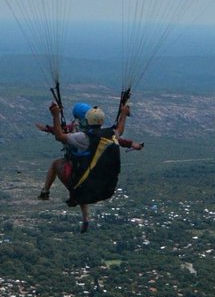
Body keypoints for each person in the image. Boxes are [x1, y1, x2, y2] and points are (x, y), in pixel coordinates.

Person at [37, 90, 143, 232]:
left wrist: (55, 115)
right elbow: (120, 130)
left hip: (82, 180)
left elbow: (59, 136)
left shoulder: (82, 137)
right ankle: (85, 216)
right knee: (82, 181)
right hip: (103, 186)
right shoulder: (109, 134)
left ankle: (45, 192)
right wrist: (123, 114)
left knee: (57, 165)